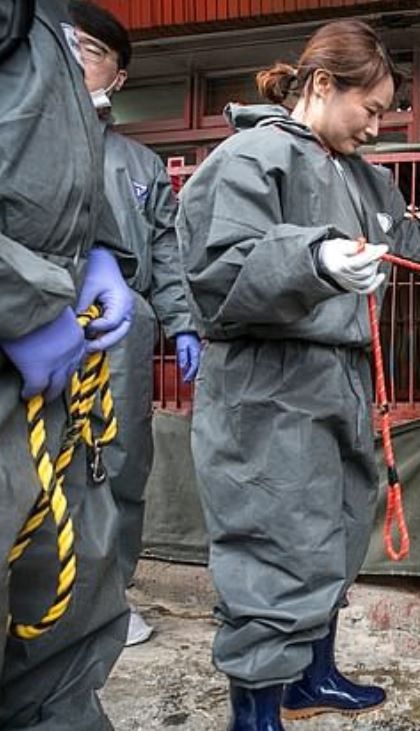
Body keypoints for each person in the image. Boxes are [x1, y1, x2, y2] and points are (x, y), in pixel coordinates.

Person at [176, 19, 420, 729]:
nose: (376, 127)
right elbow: (219, 267)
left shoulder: (364, 176)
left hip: (343, 379)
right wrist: (311, 258)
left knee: (336, 529)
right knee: (272, 538)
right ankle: (255, 710)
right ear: (320, 84)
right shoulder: (251, 158)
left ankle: (313, 675)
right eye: (369, 109)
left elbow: (407, 237)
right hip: (269, 382)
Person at [0, 0, 136, 726]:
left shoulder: (46, 23)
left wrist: (100, 250)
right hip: (22, 331)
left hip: (57, 367)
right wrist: (15, 295)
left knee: (66, 598)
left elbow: (47, 169)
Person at [67, 0, 202, 648]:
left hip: (124, 319)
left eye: (92, 52)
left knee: (118, 460)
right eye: (67, 46)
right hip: (34, 307)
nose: (76, 60)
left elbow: (168, 254)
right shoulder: (18, 136)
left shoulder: (142, 166)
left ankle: (106, 601)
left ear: (119, 76)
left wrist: (183, 324)